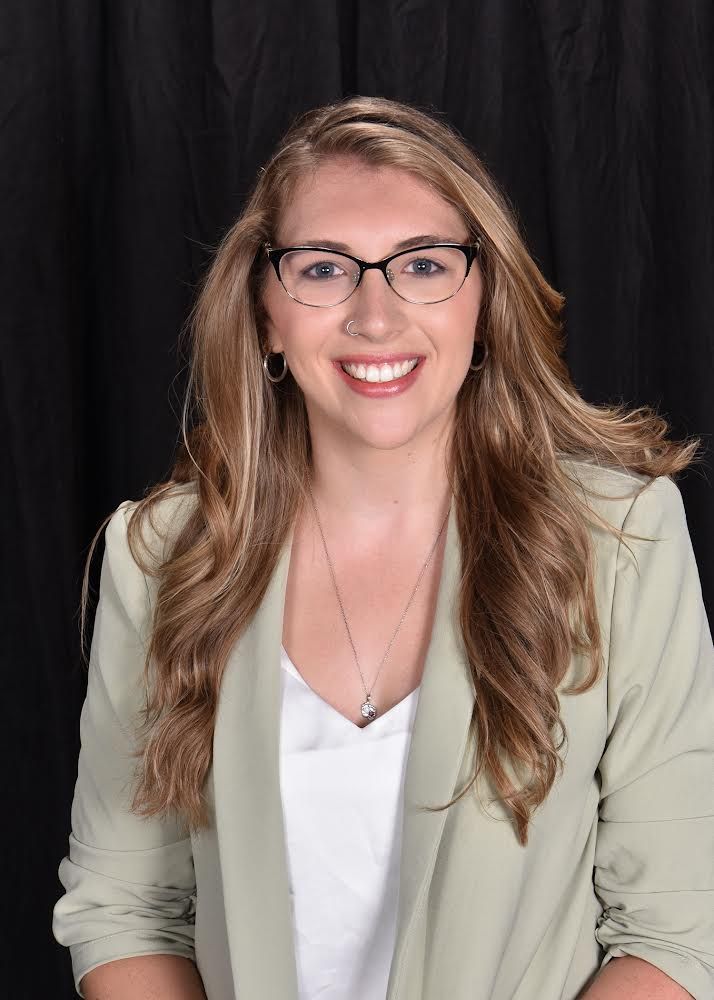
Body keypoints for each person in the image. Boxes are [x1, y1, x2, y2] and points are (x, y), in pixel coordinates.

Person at [52, 95, 714, 1000]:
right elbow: (125, 908)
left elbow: (676, 931)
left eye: (425, 265)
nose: (376, 315)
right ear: (265, 314)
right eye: (324, 270)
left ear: (485, 301)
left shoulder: (622, 539)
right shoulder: (163, 558)